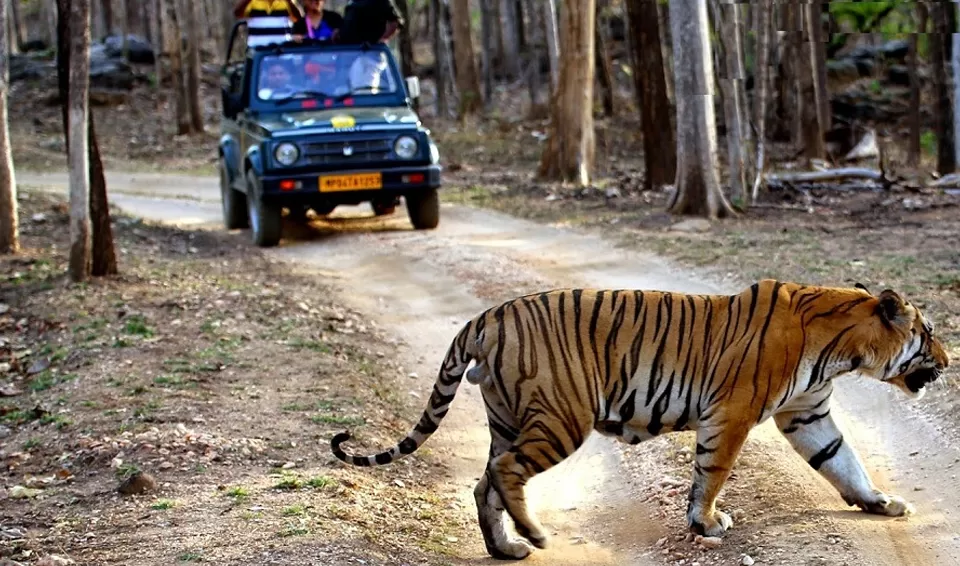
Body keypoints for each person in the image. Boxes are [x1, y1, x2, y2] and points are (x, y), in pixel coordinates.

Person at [234, 0, 303, 47]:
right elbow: (238, 14)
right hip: (257, 51)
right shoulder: (252, 1)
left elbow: (298, 18)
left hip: (283, 50)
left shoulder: (286, 2)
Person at [337, 0, 405, 45]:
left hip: (369, 52)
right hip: (348, 50)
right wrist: (339, 32)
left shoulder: (381, 1)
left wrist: (382, 39)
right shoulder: (353, 1)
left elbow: (395, 22)